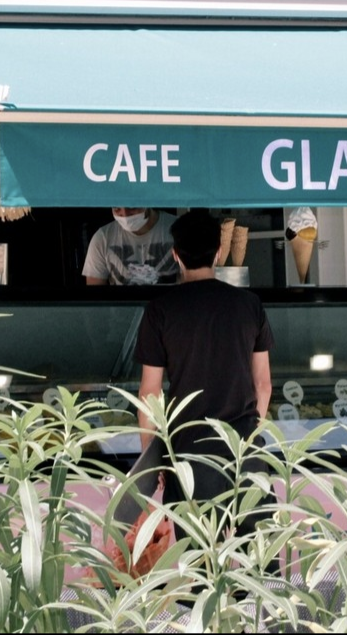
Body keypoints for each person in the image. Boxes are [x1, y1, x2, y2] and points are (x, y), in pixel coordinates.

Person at [133, 209, 276, 542]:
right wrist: (250, 442)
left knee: (197, 572)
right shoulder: (249, 304)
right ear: (219, 253)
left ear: (176, 256)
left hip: (189, 457)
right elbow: (263, 386)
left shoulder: (161, 309)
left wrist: (151, 462)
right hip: (244, 452)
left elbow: (149, 395)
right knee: (259, 565)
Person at [82, 207, 180, 285]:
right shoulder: (103, 238)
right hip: (123, 309)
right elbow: (95, 293)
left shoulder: (179, 229)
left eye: (132, 207)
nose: (125, 215)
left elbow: (192, 280)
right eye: (117, 208)